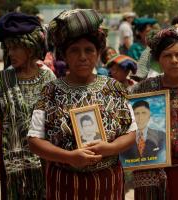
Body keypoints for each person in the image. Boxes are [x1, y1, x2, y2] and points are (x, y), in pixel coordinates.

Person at [27, 9, 137, 199]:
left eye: (89, 50)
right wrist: (69, 157)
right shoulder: (51, 91)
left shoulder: (114, 88)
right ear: (64, 55)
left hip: (107, 182)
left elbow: (131, 133)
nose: (83, 57)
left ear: (98, 53)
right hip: (64, 183)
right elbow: (34, 141)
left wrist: (108, 148)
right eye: (74, 51)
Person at [130, 23, 178, 200]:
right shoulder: (143, 90)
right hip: (150, 173)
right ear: (158, 59)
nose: (174, 60)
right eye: (167, 55)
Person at [0, 12, 56, 199]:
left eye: (16, 47)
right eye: (8, 48)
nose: (10, 53)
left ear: (31, 47)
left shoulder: (47, 78)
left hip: (44, 160)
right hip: (12, 170)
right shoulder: (1, 81)